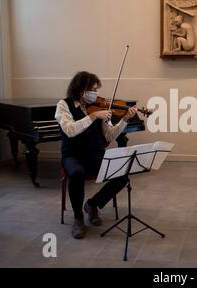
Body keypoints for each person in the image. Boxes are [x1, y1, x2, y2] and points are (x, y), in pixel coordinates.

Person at [55, 71, 137, 239]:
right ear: (80, 89)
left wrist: (124, 120)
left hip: (96, 154)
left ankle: (92, 205)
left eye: (97, 89)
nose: (96, 93)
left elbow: (109, 136)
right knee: (77, 173)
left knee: (122, 175)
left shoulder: (100, 107)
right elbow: (70, 130)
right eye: (92, 89)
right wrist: (92, 116)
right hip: (73, 156)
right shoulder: (64, 105)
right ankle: (78, 218)